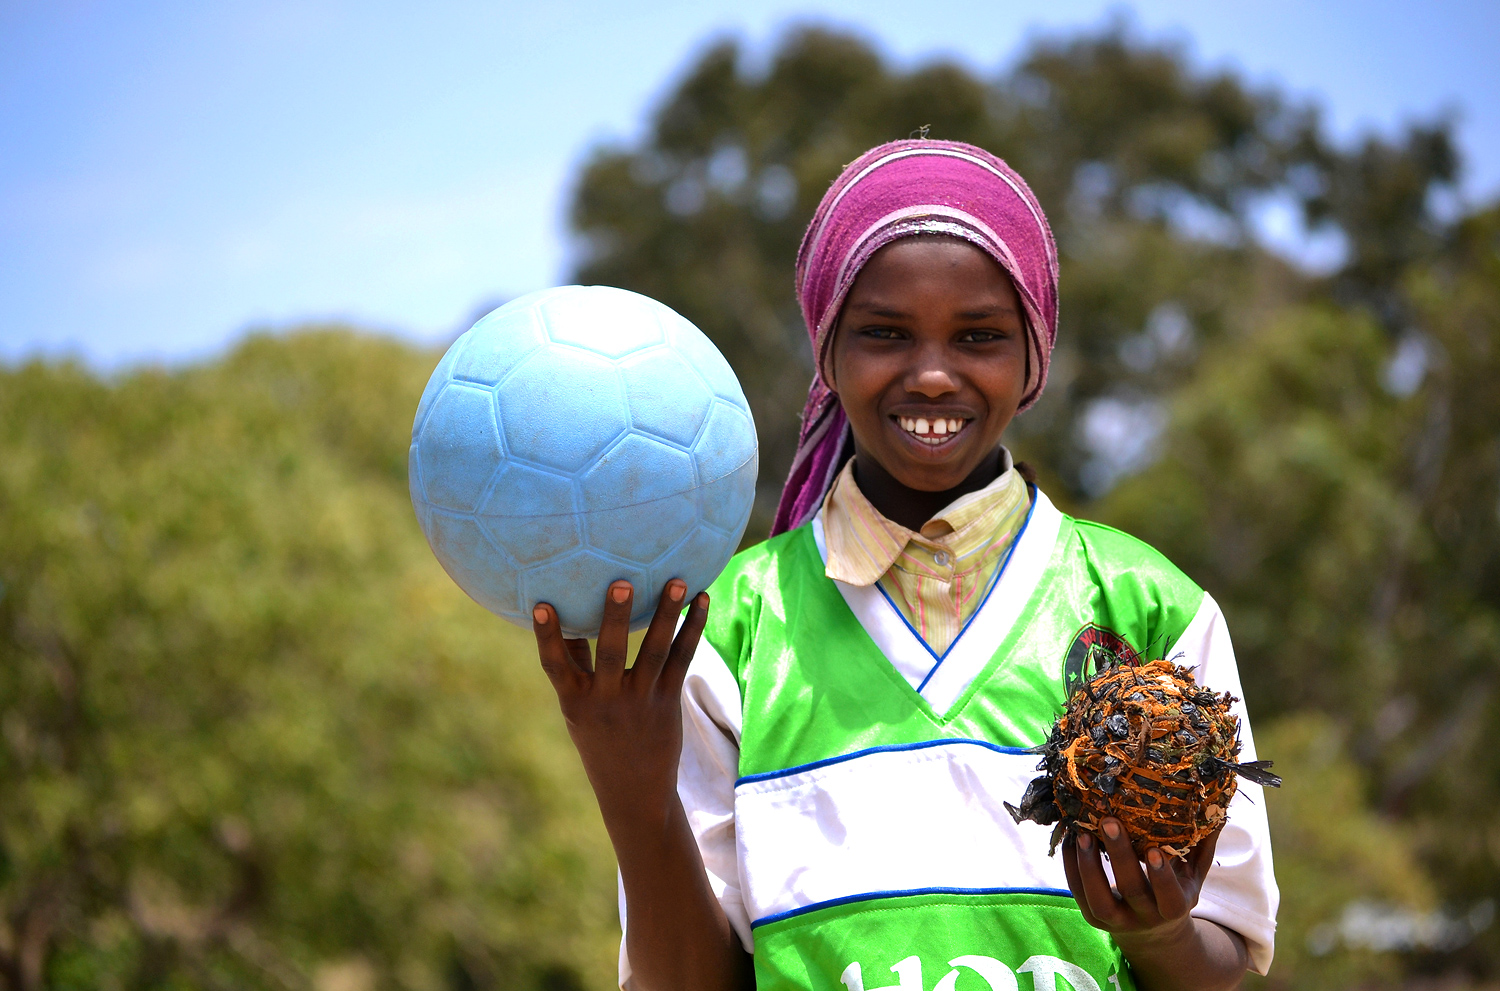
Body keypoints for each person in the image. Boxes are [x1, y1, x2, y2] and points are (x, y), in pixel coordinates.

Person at [531, 139, 1278, 991]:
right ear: (828, 352)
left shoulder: (1151, 610)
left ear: (1034, 355)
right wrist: (632, 795)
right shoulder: (729, 627)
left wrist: (1160, 931)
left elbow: (1221, 962)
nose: (930, 374)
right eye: (884, 333)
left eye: (979, 335)